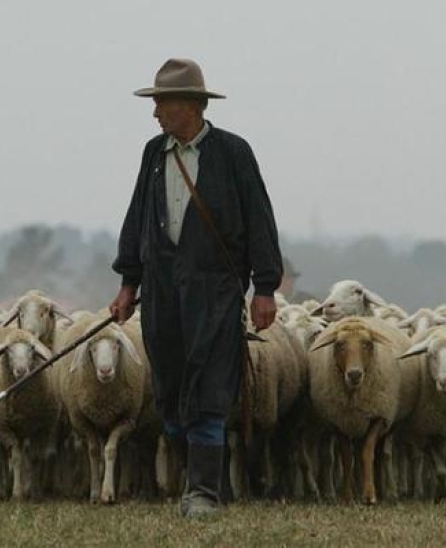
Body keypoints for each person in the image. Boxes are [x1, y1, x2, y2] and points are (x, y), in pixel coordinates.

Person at [109, 58, 283, 517]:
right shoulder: (153, 153)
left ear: (190, 105)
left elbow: (259, 222)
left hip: (215, 289)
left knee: (208, 383)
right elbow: (138, 218)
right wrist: (129, 282)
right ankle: (206, 483)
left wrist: (264, 287)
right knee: (169, 384)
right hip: (163, 289)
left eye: (162, 102)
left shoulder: (233, 154)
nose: (155, 113)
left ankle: (202, 493)